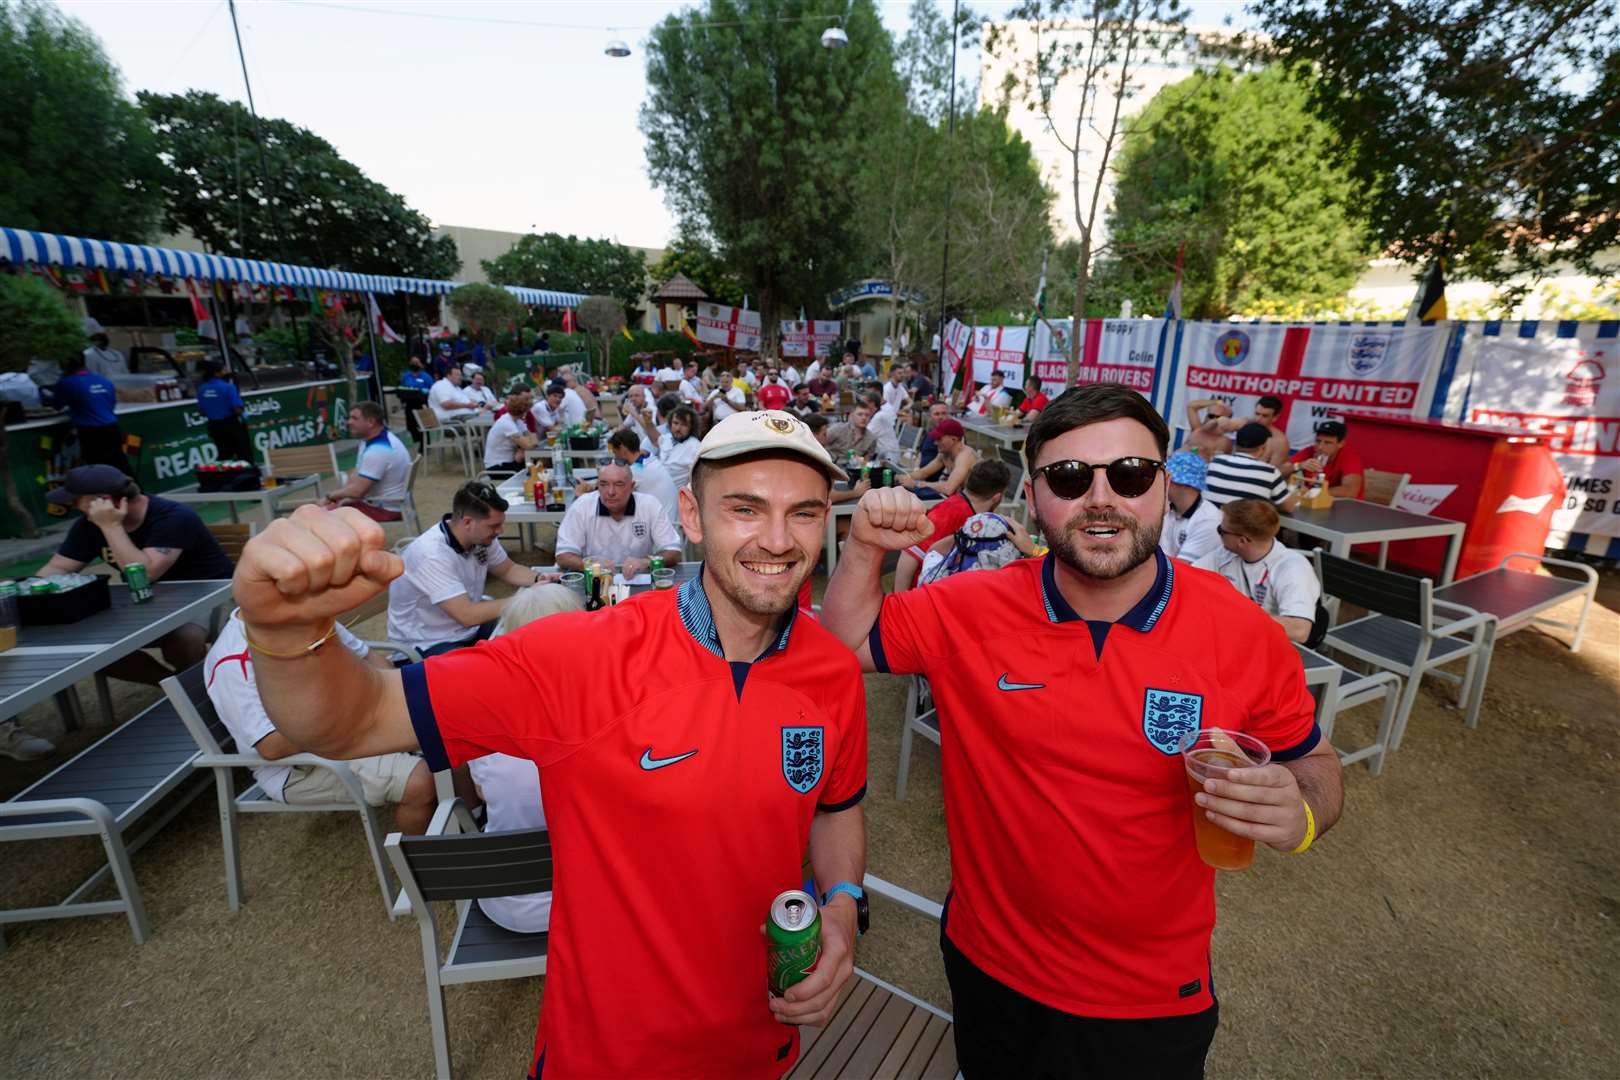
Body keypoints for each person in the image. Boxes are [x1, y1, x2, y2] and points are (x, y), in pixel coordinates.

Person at [229, 409, 870, 1077]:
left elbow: (835, 805)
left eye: (804, 512)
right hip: (607, 1054)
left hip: (763, 1043)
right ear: (691, 514)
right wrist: (283, 633)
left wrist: (845, 905)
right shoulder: (581, 656)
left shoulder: (832, 672)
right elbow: (349, 720)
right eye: (745, 508)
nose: (776, 540)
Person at [820, 383, 1342, 1077]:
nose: (1101, 498)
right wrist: (861, 550)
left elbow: (1316, 764)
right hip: (989, 966)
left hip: (1152, 998)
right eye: (1069, 477)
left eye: (1129, 474)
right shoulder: (972, 607)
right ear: (1032, 497)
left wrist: (1301, 811)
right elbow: (842, 644)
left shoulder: (1244, 631)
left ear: (1165, 484)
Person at [205, 611, 438, 833]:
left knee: (445, 727)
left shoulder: (303, 615)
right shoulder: (233, 661)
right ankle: (423, 867)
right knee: (420, 782)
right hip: (296, 767)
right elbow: (272, 747)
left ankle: (468, 821)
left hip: (346, 726)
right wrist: (353, 709)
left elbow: (376, 663)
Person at [40, 465, 233, 683]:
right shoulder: (88, 525)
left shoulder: (173, 516)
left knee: (183, 638)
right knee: (94, 651)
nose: (73, 505)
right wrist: (23, 590)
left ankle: (197, 692)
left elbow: (145, 574)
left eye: (76, 500)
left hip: (208, 595)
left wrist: (111, 527)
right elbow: (59, 568)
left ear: (104, 501)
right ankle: (176, 690)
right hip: (144, 602)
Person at [467, 583, 584, 933]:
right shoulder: (603, 720)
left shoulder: (483, 719)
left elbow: (483, 793)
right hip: (582, 903)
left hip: (501, 900)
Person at [387, 482, 555, 657]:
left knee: (531, 636)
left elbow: (508, 569)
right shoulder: (430, 554)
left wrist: (542, 578)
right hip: (427, 644)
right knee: (497, 666)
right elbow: (467, 615)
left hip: (466, 630)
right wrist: (526, 597)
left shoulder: (480, 537)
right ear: (468, 522)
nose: (500, 531)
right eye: (493, 526)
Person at [1196, 499, 1322, 644]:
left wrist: (1233, 618)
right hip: (1238, 636)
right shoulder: (1227, 553)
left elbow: (1299, 630)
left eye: (1221, 531)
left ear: (1242, 541)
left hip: (1273, 645)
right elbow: (1188, 576)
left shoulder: (1293, 568)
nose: (1219, 534)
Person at [894, 458, 1028, 590]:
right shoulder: (951, 512)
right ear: (997, 497)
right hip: (922, 595)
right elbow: (909, 556)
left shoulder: (978, 519)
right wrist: (900, 602)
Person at [554, 461, 682, 578]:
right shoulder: (582, 506)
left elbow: (673, 551)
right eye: (603, 484)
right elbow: (563, 555)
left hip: (637, 581)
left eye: (619, 484)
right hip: (594, 581)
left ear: (632, 487)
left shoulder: (649, 505)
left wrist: (647, 562)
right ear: (597, 485)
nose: (610, 492)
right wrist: (591, 566)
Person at [318, 402, 412, 522]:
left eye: (355, 418)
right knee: (330, 509)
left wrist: (330, 496)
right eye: (349, 418)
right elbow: (356, 475)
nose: (349, 422)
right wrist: (341, 499)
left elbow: (358, 491)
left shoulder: (378, 450)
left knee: (323, 515)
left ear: (371, 422)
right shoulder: (373, 440)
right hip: (389, 504)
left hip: (385, 508)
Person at [51, 353, 129, 475]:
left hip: (91, 432)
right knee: (120, 465)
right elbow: (110, 404)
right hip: (112, 429)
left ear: (64, 365)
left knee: (98, 470)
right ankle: (134, 492)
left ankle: (108, 493)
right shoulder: (103, 380)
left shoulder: (67, 382)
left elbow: (57, 405)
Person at [1207, 423, 1298, 511]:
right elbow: (1289, 508)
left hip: (1207, 524)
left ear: (1236, 443)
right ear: (1263, 448)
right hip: (1239, 525)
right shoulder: (1269, 472)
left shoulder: (1215, 461)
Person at [1160, 450, 1223, 565]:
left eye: (1167, 477)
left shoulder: (1209, 520)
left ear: (1185, 484)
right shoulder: (1166, 506)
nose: (1161, 481)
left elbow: (1180, 568)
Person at [194, 360, 256, 464]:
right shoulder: (228, 387)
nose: (226, 371)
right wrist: (243, 414)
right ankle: (248, 477)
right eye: (223, 370)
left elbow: (201, 412)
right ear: (216, 373)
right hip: (231, 425)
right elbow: (237, 408)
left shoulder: (202, 389)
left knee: (224, 455)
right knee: (244, 454)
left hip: (214, 426)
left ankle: (224, 478)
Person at [901, 417, 977, 499]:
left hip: (977, 503)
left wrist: (917, 484)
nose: (935, 442)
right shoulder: (944, 453)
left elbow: (948, 488)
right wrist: (904, 477)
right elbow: (923, 473)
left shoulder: (965, 456)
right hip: (963, 497)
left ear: (953, 439)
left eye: (939, 439)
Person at [1285, 419, 1365, 498]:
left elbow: (1350, 491)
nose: (1320, 447)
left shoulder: (1350, 457)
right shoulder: (1310, 450)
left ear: (1341, 444)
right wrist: (1299, 465)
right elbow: (1280, 471)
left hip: (1342, 506)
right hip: (1313, 502)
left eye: (1328, 443)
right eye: (1318, 441)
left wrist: (1312, 493)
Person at [806, 415, 873, 506]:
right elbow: (827, 496)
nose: (826, 440)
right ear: (813, 436)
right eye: (824, 434)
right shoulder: (813, 459)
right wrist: (856, 492)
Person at [483, 389, 540, 478]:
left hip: (510, 462)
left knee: (538, 465)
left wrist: (523, 448)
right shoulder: (507, 423)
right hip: (497, 467)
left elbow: (534, 439)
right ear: (524, 411)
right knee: (534, 471)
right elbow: (529, 444)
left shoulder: (517, 421)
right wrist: (524, 447)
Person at [658, 404, 702, 491]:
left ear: (691, 428)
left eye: (684, 425)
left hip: (675, 496)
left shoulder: (695, 446)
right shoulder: (666, 438)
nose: (678, 428)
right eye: (675, 423)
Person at [398, 355, 435, 451]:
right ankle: (419, 440)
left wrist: (424, 391)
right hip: (409, 403)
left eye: (417, 362)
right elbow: (402, 387)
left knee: (423, 425)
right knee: (411, 426)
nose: (414, 364)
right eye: (412, 362)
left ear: (421, 365)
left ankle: (425, 446)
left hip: (422, 403)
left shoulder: (426, 377)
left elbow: (432, 390)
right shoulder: (406, 376)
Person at [1249, 394, 1291, 467]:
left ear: (1275, 417)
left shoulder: (1280, 442)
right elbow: (1227, 423)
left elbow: (1274, 472)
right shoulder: (1244, 425)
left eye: (1264, 416)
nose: (1258, 419)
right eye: (1257, 414)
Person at [865, 389, 903, 460]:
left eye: (864, 403)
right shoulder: (876, 414)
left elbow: (865, 435)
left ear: (872, 404)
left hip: (889, 456)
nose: (862, 406)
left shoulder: (879, 417)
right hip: (881, 454)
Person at [917, 400, 950, 469]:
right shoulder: (930, 432)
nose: (941, 417)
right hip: (921, 474)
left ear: (948, 415)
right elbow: (921, 453)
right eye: (936, 414)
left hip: (937, 478)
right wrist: (916, 468)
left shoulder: (952, 436)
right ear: (930, 417)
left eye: (944, 413)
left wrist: (920, 475)